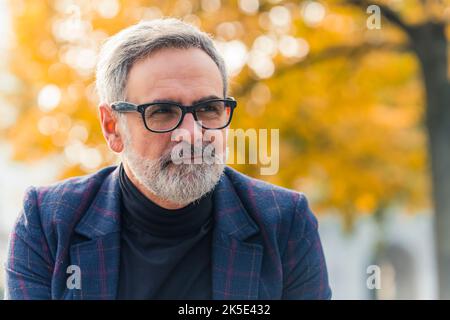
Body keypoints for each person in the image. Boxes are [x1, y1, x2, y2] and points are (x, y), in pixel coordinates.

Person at [5, 18, 331, 300]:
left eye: (208, 109)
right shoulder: (49, 223)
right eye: (162, 112)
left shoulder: (284, 223)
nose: (191, 133)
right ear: (112, 127)